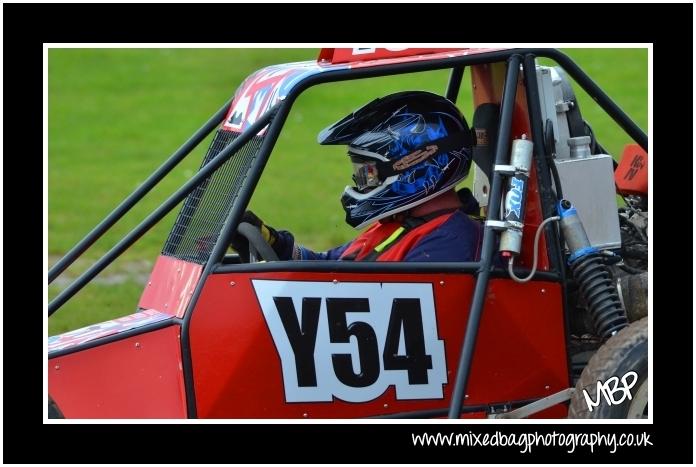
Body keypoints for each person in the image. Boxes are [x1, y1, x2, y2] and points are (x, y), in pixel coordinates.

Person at [233, 90, 483, 262]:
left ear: (413, 166)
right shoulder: (399, 225)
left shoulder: (448, 245)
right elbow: (329, 268)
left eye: (368, 172)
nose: (360, 181)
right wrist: (273, 243)